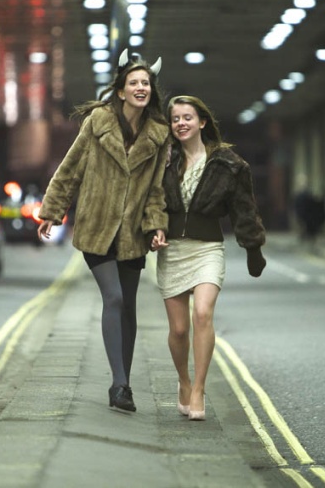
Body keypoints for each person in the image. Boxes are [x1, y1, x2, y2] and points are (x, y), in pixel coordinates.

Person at [37, 49, 170, 413]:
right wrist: (53, 211)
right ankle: (119, 384)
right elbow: (71, 169)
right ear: (121, 90)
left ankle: (124, 383)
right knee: (113, 298)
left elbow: (156, 189)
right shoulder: (98, 122)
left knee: (129, 306)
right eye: (134, 83)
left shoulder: (159, 134)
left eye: (146, 83)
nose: (141, 88)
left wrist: (156, 226)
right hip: (97, 227)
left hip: (133, 234)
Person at [154, 95, 266, 421]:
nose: (181, 124)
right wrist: (152, 230)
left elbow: (244, 209)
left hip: (207, 250)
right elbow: (151, 202)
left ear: (202, 122)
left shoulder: (228, 164)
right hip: (173, 251)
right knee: (179, 330)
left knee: (202, 314)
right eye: (175, 119)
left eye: (187, 117)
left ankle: (200, 389)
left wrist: (253, 248)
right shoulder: (163, 160)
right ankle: (184, 381)